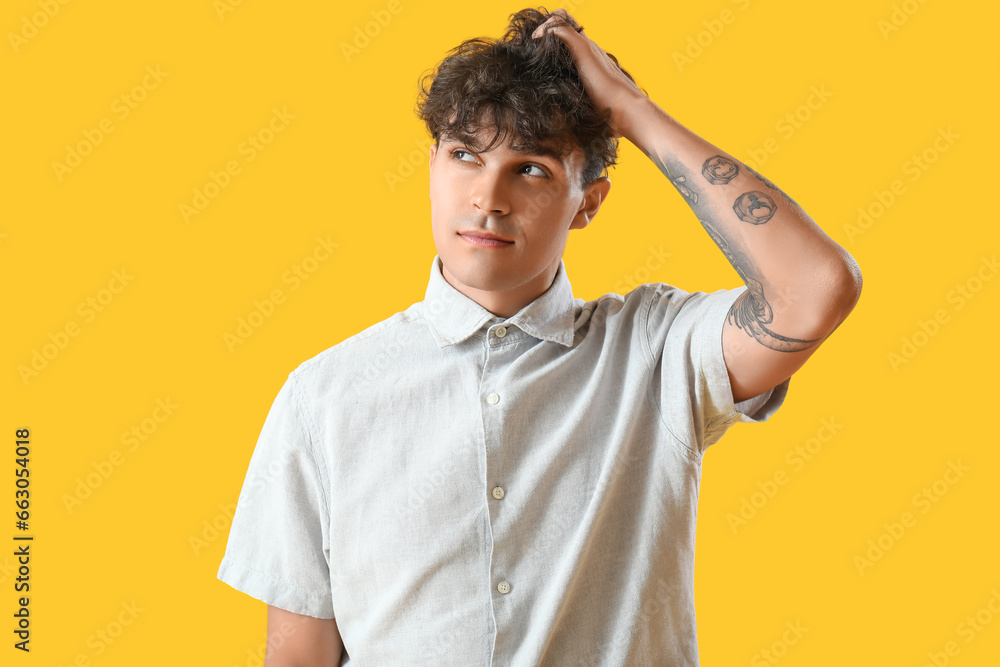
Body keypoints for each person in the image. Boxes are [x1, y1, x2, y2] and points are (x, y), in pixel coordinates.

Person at [217, 7, 862, 665]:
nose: (486, 198)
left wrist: (632, 111)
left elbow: (816, 288)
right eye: (465, 155)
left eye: (530, 169)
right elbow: (298, 656)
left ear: (589, 201)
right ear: (433, 164)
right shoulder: (324, 395)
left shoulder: (656, 353)